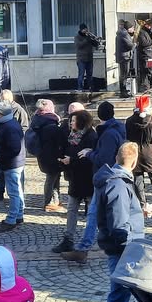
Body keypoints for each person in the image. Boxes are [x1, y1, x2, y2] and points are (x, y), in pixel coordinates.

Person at [61, 101, 126, 264]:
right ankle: (83, 249)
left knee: (101, 215)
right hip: (110, 177)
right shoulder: (115, 129)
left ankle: (119, 247)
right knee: (94, 214)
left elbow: (104, 159)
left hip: (106, 177)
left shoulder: (108, 134)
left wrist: (89, 154)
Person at [94, 142, 145, 302]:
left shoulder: (116, 180)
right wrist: (129, 247)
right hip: (124, 248)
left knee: (121, 296)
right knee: (118, 297)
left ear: (117, 157)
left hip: (123, 247)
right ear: (133, 162)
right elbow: (118, 224)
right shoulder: (119, 185)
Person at [52, 108, 98, 254]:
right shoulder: (73, 135)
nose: (71, 123)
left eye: (73, 120)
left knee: (92, 211)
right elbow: (70, 152)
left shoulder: (90, 136)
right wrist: (64, 160)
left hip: (88, 179)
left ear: (81, 122)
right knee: (72, 209)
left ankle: (90, 240)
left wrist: (71, 160)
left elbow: (88, 160)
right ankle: (68, 239)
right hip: (75, 179)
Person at [125, 94, 152, 212]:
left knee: (138, 180)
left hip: (136, 152)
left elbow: (128, 136)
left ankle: (141, 203)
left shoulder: (129, 121)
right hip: (150, 153)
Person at [0, 101, 25, 232]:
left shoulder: (8, 127)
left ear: (1, 114)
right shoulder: (9, 123)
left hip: (11, 164)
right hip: (14, 163)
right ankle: (19, 215)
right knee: (17, 190)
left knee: (13, 192)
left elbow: (14, 148)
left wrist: (1, 158)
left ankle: (11, 220)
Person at [74, 23, 100, 92]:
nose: (86, 30)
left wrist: (95, 40)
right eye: (84, 29)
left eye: (86, 29)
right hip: (81, 59)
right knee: (81, 74)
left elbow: (95, 44)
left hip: (89, 58)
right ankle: (80, 88)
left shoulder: (88, 36)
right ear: (81, 29)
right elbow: (79, 45)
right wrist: (86, 39)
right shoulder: (77, 37)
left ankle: (91, 87)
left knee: (90, 74)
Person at [135, 18, 152, 93]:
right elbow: (144, 43)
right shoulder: (141, 32)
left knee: (149, 71)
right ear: (147, 25)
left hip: (149, 54)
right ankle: (145, 87)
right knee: (145, 72)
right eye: (151, 26)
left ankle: (148, 86)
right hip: (144, 55)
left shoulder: (148, 32)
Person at [116, 20, 136, 98]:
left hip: (122, 56)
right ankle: (123, 92)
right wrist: (134, 44)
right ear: (129, 28)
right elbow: (130, 46)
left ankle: (123, 90)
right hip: (125, 57)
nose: (133, 29)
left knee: (123, 74)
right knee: (124, 75)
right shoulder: (124, 34)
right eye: (132, 27)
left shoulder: (121, 33)